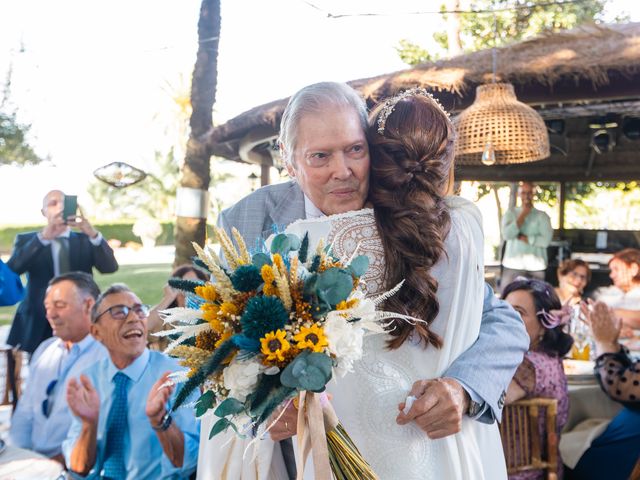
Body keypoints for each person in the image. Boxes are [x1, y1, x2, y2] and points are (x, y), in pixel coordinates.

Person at [212, 82, 528, 479]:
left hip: (410, 446)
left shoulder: (404, 206)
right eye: (320, 156)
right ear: (289, 162)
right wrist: (255, 408)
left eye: (354, 150)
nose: (341, 171)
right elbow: (215, 344)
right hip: (297, 459)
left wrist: (462, 390)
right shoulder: (244, 223)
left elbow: (503, 321)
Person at [62, 283, 199, 479]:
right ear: (96, 332)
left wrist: (161, 420)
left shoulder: (176, 374)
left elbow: (188, 464)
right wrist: (88, 425)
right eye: (118, 312)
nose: (134, 318)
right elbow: (78, 468)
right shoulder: (87, 380)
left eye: (139, 310)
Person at [8, 272, 108, 463]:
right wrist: (19, 458)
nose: (50, 314)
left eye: (60, 306)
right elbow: (25, 413)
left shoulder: (107, 357)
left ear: (89, 305)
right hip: (32, 462)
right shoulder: (45, 349)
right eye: (47, 307)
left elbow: (104, 431)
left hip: (75, 465)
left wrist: (56, 465)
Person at [6, 190, 118, 354]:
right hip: (40, 318)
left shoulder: (85, 239)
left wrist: (93, 234)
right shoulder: (28, 240)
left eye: (65, 203)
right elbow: (13, 269)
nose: (60, 207)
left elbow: (109, 268)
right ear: (43, 212)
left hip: (81, 315)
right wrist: (43, 238)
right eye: (53, 203)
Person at [502, 278, 573, 480]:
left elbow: (488, 395)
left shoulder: (533, 365)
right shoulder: (541, 358)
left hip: (522, 474)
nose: (505, 318)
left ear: (544, 327)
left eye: (518, 312)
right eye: (503, 310)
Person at [565, 301, 640, 479]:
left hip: (624, 455)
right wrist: (611, 344)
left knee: (562, 453)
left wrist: (604, 342)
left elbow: (620, 385)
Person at [500, 182, 553, 288]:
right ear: (519, 194)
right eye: (524, 192)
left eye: (529, 193)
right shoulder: (510, 213)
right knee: (508, 301)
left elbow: (546, 241)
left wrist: (527, 239)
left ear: (534, 195)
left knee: (536, 302)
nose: (526, 196)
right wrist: (523, 214)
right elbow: (507, 235)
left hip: (536, 268)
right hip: (512, 265)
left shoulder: (542, 216)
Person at [147, 264, 209, 349]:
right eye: (186, 283)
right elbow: (144, 326)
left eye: (196, 283)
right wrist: (168, 298)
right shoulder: (165, 317)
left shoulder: (210, 316)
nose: (192, 288)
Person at [595, 248, 640, 330]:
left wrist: (608, 313)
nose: (611, 275)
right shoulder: (613, 294)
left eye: (616, 269)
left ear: (634, 269)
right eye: (611, 271)